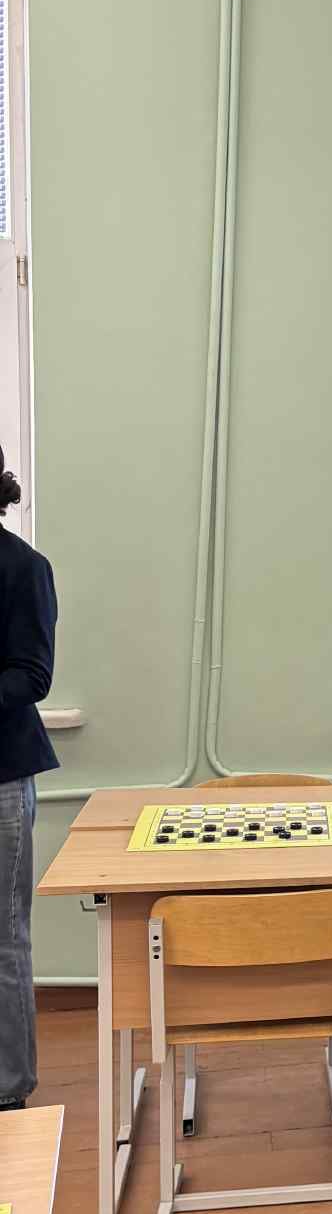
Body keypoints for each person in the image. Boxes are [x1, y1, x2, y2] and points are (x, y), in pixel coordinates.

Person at [0, 449, 58, 1113]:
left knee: (3, 938)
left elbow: (32, 676)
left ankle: (8, 1089)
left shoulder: (23, 567)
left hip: (4, 778)